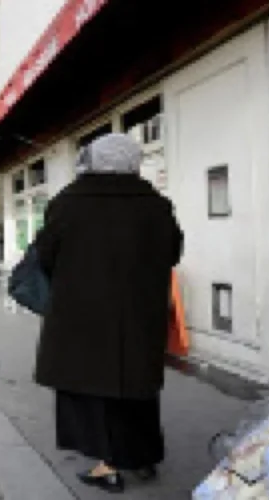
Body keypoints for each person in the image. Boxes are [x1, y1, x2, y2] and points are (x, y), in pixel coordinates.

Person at [33, 133, 184, 493]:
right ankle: (142, 457)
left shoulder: (68, 203)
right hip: (139, 316)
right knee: (138, 392)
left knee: (92, 395)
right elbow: (173, 252)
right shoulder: (155, 204)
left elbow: (45, 255)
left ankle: (108, 465)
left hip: (82, 318)